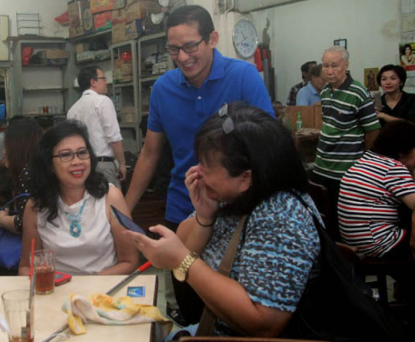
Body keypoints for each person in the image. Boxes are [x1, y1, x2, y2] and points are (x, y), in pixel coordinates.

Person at [123, 4, 273, 324]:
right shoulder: (163, 88)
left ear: (212, 39)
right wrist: (124, 211)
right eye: (174, 49)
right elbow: (150, 153)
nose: (182, 57)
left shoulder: (243, 76)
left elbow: (267, 144)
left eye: (191, 46)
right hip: (184, 210)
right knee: (190, 305)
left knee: (236, 307)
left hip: (238, 210)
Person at [126, 103, 321, 336]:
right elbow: (185, 247)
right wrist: (204, 216)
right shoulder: (232, 195)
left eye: (206, 167)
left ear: (245, 177)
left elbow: (263, 323)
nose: (196, 172)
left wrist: (183, 261)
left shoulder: (282, 218)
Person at [18, 120, 139, 276]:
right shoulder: (36, 206)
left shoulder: (110, 197)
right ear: (49, 165)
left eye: (82, 152)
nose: (77, 162)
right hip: (56, 292)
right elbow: (26, 266)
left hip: (102, 293)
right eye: (66, 155)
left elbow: (129, 261)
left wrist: (88, 286)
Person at [338, 121, 415, 307]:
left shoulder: (367, 159)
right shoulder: (393, 168)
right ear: (402, 152)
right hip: (377, 242)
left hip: (354, 240)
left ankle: (405, 289)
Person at [312, 46, 380, 218]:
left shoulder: (358, 92)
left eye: (334, 65)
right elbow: (329, 124)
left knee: (342, 218)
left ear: (346, 65)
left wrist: (363, 162)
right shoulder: (326, 91)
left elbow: (373, 131)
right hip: (321, 167)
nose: (328, 70)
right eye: (325, 66)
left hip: (345, 171)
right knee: (322, 215)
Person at [67, 65, 126, 187]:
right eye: (103, 78)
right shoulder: (102, 101)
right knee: (111, 204)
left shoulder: (72, 110)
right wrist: (122, 164)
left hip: (82, 166)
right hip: (103, 166)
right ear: (93, 82)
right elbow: (114, 138)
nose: (106, 83)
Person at [0, 118, 43, 233]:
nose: (4, 152)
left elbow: (24, 224)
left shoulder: (28, 174)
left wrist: (1, 219)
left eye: (7, 146)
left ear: (19, 148)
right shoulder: (39, 167)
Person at [0, 115, 25, 203]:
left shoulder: (13, 139)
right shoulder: (1, 139)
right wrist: (17, 162)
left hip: (4, 174)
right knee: (19, 181)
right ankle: (14, 207)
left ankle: (19, 207)